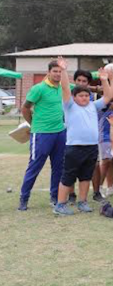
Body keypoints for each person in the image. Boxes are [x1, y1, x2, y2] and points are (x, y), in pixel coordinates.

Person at [54, 59, 113, 216]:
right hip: (74, 147)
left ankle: (82, 202)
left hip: (91, 147)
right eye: (81, 96)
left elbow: (108, 96)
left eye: (87, 95)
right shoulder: (69, 106)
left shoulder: (93, 106)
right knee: (68, 176)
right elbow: (66, 88)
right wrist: (63, 70)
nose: (84, 98)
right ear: (74, 97)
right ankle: (60, 204)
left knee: (86, 176)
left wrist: (104, 79)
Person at [19, 59, 69, 211]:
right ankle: (24, 198)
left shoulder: (63, 87)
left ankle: (55, 198)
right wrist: (33, 124)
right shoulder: (38, 88)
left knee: (58, 167)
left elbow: (83, 89)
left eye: (60, 71)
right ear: (49, 72)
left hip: (60, 133)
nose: (58, 74)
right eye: (55, 71)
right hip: (41, 134)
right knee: (35, 166)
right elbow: (25, 108)